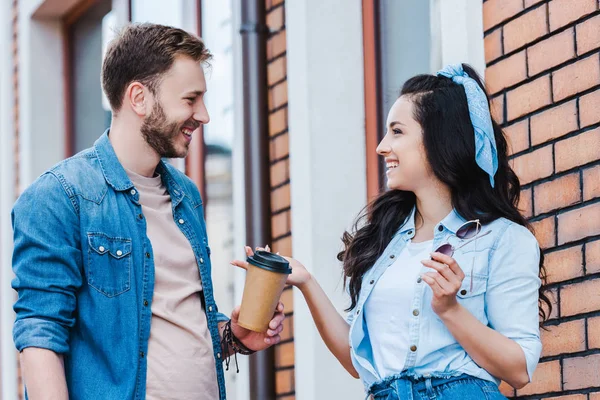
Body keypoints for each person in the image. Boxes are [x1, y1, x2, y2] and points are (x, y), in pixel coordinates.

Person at [234, 64, 551, 400]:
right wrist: (306, 282)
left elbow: (518, 369)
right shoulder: (387, 244)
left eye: (397, 131)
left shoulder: (502, 239)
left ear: (439, 139)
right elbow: (359, 363)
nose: (382, 147)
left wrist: (450, 310)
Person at [11, 23, 285, 400]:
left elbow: (169, 325)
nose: (203, 115)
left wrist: (233, 337)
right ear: (138, 97)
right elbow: (40, 334)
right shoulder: (59, 196)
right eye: (191, 99)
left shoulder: (186, 195)